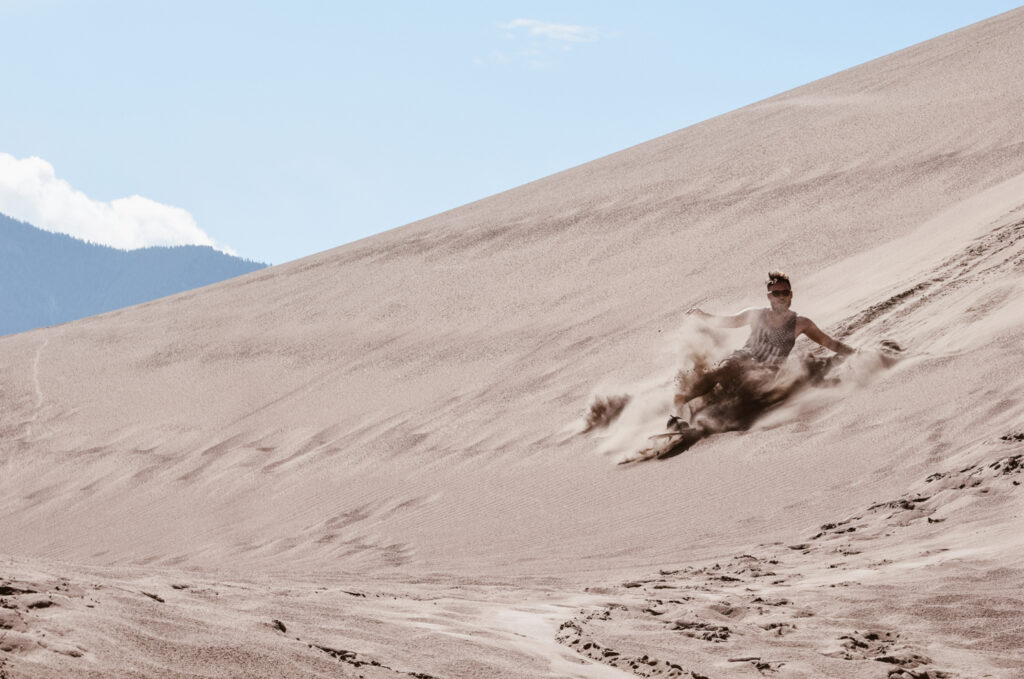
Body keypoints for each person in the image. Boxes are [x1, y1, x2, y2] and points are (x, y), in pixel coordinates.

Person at [668, 271, 854, 430]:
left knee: (740, 400)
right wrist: (702, 316)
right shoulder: (756, 314)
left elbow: (830, 343)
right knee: (723, 370)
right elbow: (728, 321)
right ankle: (679, 407)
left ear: (791, 295)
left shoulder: (801, 323)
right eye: (776, 293)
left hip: (765, 375)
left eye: (785, 293)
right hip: (740, 360)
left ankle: (704, 415)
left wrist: (855, 353)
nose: (780, 297)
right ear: (769, 296)